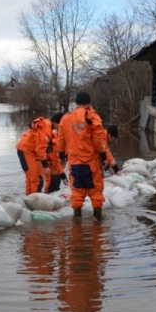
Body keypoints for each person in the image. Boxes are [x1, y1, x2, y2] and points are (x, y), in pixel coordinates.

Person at [57, 91, 109, 220]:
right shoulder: (92, 117)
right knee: (96, 193)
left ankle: (77, 226)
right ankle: (98, 226)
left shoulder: (65, 118)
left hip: (74, 163)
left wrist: (61, 157)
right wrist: (104, 158)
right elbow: (98, 141)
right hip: (91, 163)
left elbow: (61, 140)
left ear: (76, 103)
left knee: (77, 194)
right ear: (89, 103)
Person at [16, 116, 54, 195]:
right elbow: (40, 150)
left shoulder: (44, 125)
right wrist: (46, 166)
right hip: (26, 151)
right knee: (36, 180)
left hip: (27, 150)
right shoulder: (45, 131)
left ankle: (29, 197)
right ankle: (35, 200)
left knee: (31, 178)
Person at [45, 113, 69, 193]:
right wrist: (64, 176)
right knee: (52, 183)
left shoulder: (61, 139)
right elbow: (55, 161)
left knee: (56, 182)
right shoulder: (55, 143)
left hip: (54, 168)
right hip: (51, 167)